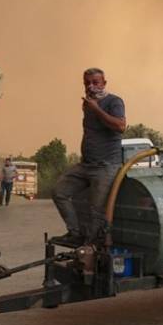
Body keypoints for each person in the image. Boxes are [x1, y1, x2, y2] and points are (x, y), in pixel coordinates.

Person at [52, 68, 126, 247]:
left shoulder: (114, 101)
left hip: (106, 166)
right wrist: (91, 107)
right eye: (87, 83)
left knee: (96, 211)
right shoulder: (87, 104)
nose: (91, 86)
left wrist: (97, 109)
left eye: (95, 82)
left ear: (104, 83)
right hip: (86, 165)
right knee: (59, 192)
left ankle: (91, 248)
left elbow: (121, 126)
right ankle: (75, 233)